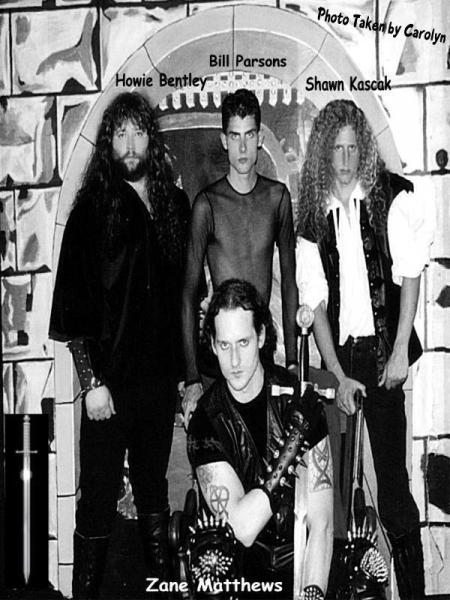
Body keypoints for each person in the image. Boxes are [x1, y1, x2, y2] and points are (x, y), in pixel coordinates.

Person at [49, 92, 189, 599]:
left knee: (155, 496)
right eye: (120, 134)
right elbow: (73, 304)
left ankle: (161, 592)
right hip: (108, 389)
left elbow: (183, 299)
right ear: (109, 143)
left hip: (159, 386)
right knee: (97, 503)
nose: (130, 144)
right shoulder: (91, 211)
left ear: (151, 139)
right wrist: (92, 383)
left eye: (138, 132)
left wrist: (185, 378)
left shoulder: (174, 207)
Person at [296, 99, 433, 599]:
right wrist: (336, 376)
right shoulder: (314, 218)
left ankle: (414, 593)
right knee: (334, 493)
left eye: (354, 148)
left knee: (393, 486)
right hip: (342, 361)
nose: (346, 159)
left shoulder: (389, 197)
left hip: (383, 355)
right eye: (337, 149)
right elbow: (316, 305)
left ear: (364, 150)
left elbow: (411, 273)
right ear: (323, 153)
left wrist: (398, 353)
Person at [187, 279, 333, 599]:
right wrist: (293, 443)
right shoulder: (205, 421)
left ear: (261, 337)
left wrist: (311, 594)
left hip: (301, 564)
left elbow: (321, 524)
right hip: (240, 577)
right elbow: (243, 528)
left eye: (243, 342)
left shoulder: (298, 401)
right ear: (212, 345)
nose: (234, 361)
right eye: (225, 345)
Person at [182, 89, 298, 424]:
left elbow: (289, 282)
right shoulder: (207, 204)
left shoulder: (277, 198)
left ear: (260, 138)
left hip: (262, 350)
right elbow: (187, 293)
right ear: (224, 141)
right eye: (235, 136)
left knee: (266, 446)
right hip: (218, 354)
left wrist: (292, 361)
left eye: (249, 135)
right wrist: (191, 377)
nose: (243, 147)